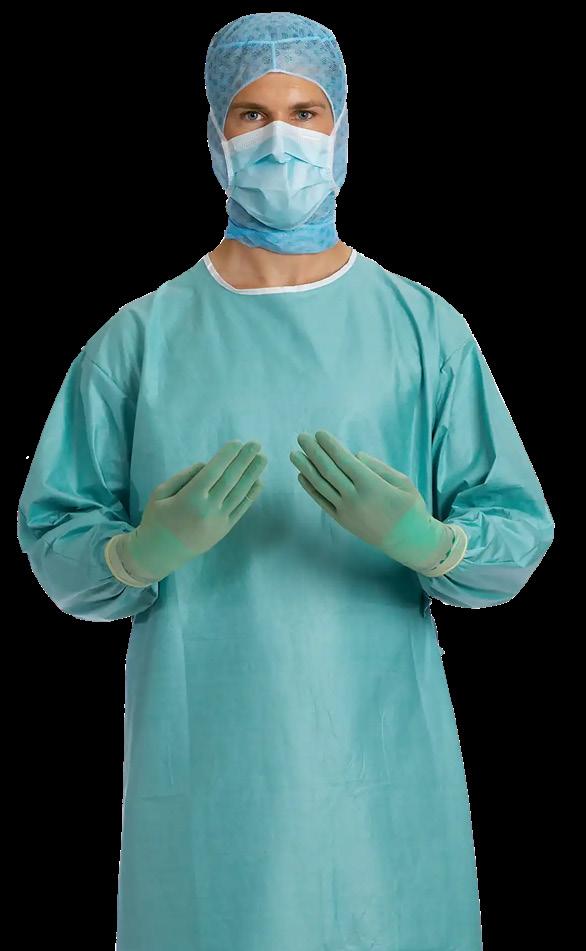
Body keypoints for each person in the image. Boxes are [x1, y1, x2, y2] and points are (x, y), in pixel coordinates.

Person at [17, 12, 554, 951]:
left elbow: (513, 527)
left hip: (380, 772)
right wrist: (134, 553)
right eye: (251, 113)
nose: (280, 138)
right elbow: (57, 535)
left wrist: (431, 541)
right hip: (209, 779)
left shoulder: (424, 330)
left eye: (305, 111)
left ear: (342, 126)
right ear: (214, 134)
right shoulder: (138, 342)